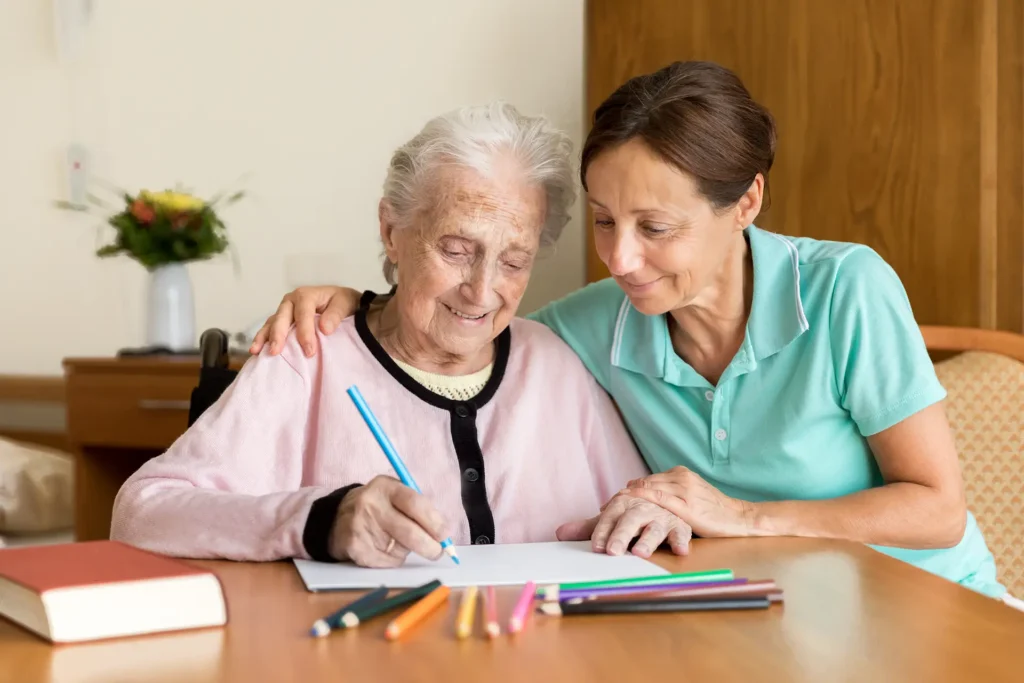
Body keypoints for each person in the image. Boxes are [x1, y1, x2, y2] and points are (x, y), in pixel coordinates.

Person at [253, 60, 1019, 607]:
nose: (621, 258)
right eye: (605, 220)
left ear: (746, 201)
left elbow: (935, 507)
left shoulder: (847, 289)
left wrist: (740, 515)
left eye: (655, 227)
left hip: (933, 605)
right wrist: (364, 298)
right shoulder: (595, 322)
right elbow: (468, 328)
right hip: (764, 621)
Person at [110, 103, 679, 568]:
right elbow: (142, 511)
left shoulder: (553, 363)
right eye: (456, 251)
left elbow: (642, 505)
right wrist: (319, 521)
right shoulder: (310, 353)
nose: (481, 291)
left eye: (513, 261)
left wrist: (655, 517)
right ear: (392, 231)